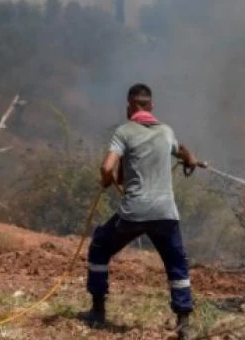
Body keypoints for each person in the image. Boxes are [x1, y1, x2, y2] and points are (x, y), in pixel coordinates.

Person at [82, 83, 202, 339]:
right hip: (165, 214)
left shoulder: (124, 132)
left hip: (134, 213)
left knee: (100, 245)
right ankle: (183, 324)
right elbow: (181, 151)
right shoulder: (166, 132)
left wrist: (106, 180)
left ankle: (98, 310)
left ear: (129, 107)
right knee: (176, 262)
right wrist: (191, 159)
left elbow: (106, 168)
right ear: (151, 106)